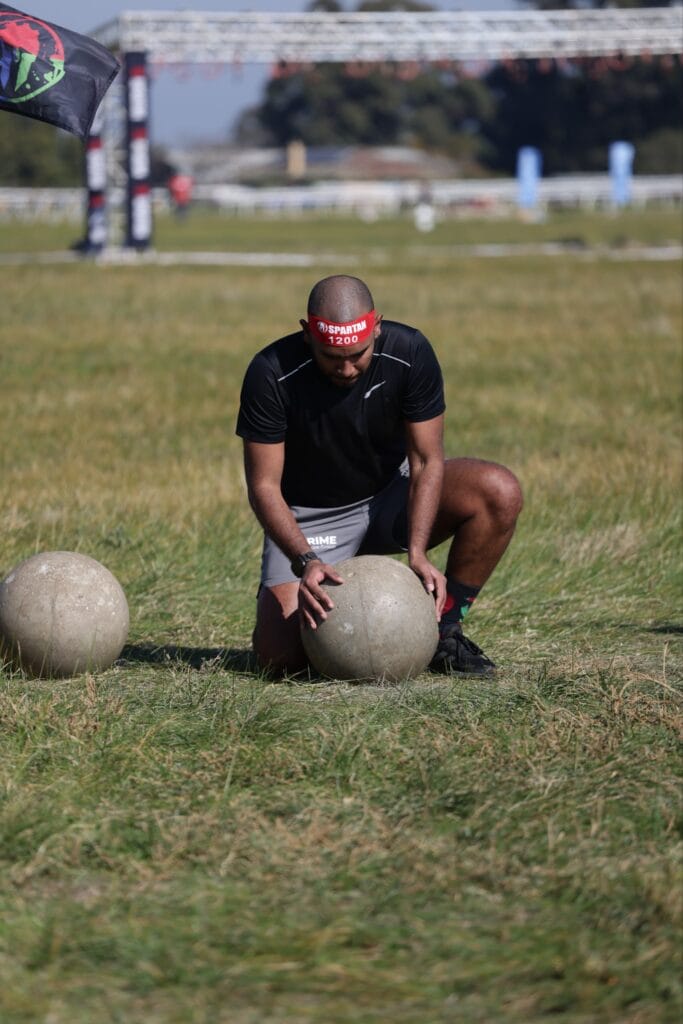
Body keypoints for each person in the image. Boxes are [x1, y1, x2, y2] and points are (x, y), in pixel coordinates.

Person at [236, 274, 523, 677]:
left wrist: (418, 552)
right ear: (307, 334)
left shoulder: (410, 352)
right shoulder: (270, 372)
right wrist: (306, 560)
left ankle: (443, 630)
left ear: (377, 327)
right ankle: (288, 597)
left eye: (358, 353)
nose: (347, 368)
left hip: (391, 498)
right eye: (331, 356)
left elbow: (425, 461)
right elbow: (263, 486)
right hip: (313, 519)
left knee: (497, 490)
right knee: (281, 660)